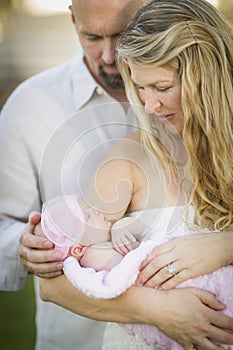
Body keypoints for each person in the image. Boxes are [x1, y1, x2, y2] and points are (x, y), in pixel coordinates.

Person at [38, 0, 233, 349]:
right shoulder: (130, 157)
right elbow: (54, 286)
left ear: (207, 78)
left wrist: (225, 245)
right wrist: (157, 310)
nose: (148, 105)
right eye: (140, 88)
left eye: (161, 88)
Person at [0, 1, 150, 349]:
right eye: (92, 36)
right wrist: (22, 245)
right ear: (72, 19)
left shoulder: (196, 100)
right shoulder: (30, 106)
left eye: (121, 34)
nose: (110, 55)